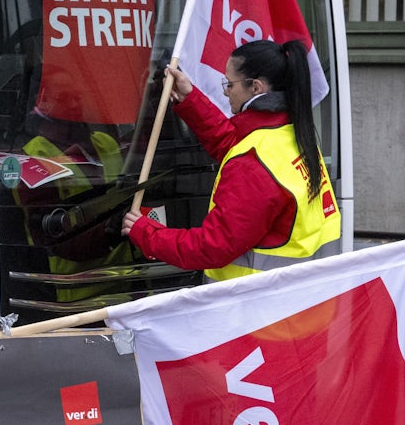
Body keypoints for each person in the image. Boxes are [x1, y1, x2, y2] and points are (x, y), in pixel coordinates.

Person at [121, 39, 341, 281]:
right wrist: (190, 98)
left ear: (256, 87)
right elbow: (233, 143)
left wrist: (147, 233)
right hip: (301, 301)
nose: (226, 91)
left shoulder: (252, 163)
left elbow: (211, 246)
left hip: (253, 308)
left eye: (229, 84)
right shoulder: (293, 133)